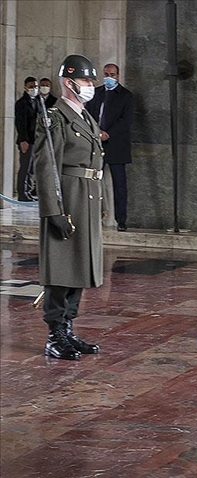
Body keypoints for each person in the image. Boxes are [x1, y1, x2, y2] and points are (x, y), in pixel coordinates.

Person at [32, 54, 104, 360]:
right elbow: (46, 166)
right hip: (67, 199)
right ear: (68, 82)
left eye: (91, 81)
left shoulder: (85, 116)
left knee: (80, 268)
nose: (89, 86)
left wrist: (101, 203)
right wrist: (53, 210)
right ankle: (55, 334)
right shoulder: (54, 118)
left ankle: (68, 328)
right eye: (85, 80)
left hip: (86, 198)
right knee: (61, 271)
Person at [85, 63, 134, 231]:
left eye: (112, 74)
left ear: (118, 76)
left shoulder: (126, 96)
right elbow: (88, 114)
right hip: (96, 143)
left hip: (116, 144)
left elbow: (125, 121)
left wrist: (108, 133)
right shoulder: (95, 93)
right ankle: (95, 216)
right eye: (106, 74)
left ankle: (121, 219)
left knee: (119, 184)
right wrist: (96, 131)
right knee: (93, 182)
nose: (109, 77)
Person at [14, 76, 39, 201]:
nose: (34, 89)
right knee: (25, 167)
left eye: (35, 86)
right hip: (26, 141)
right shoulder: (22, 103)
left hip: (35, 140)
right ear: (25, 87)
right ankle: (22, 193)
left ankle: (28, 191)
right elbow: (21, 123)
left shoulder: (37, 102)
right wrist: (23, 140)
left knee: (31, 169)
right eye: (31, 86)